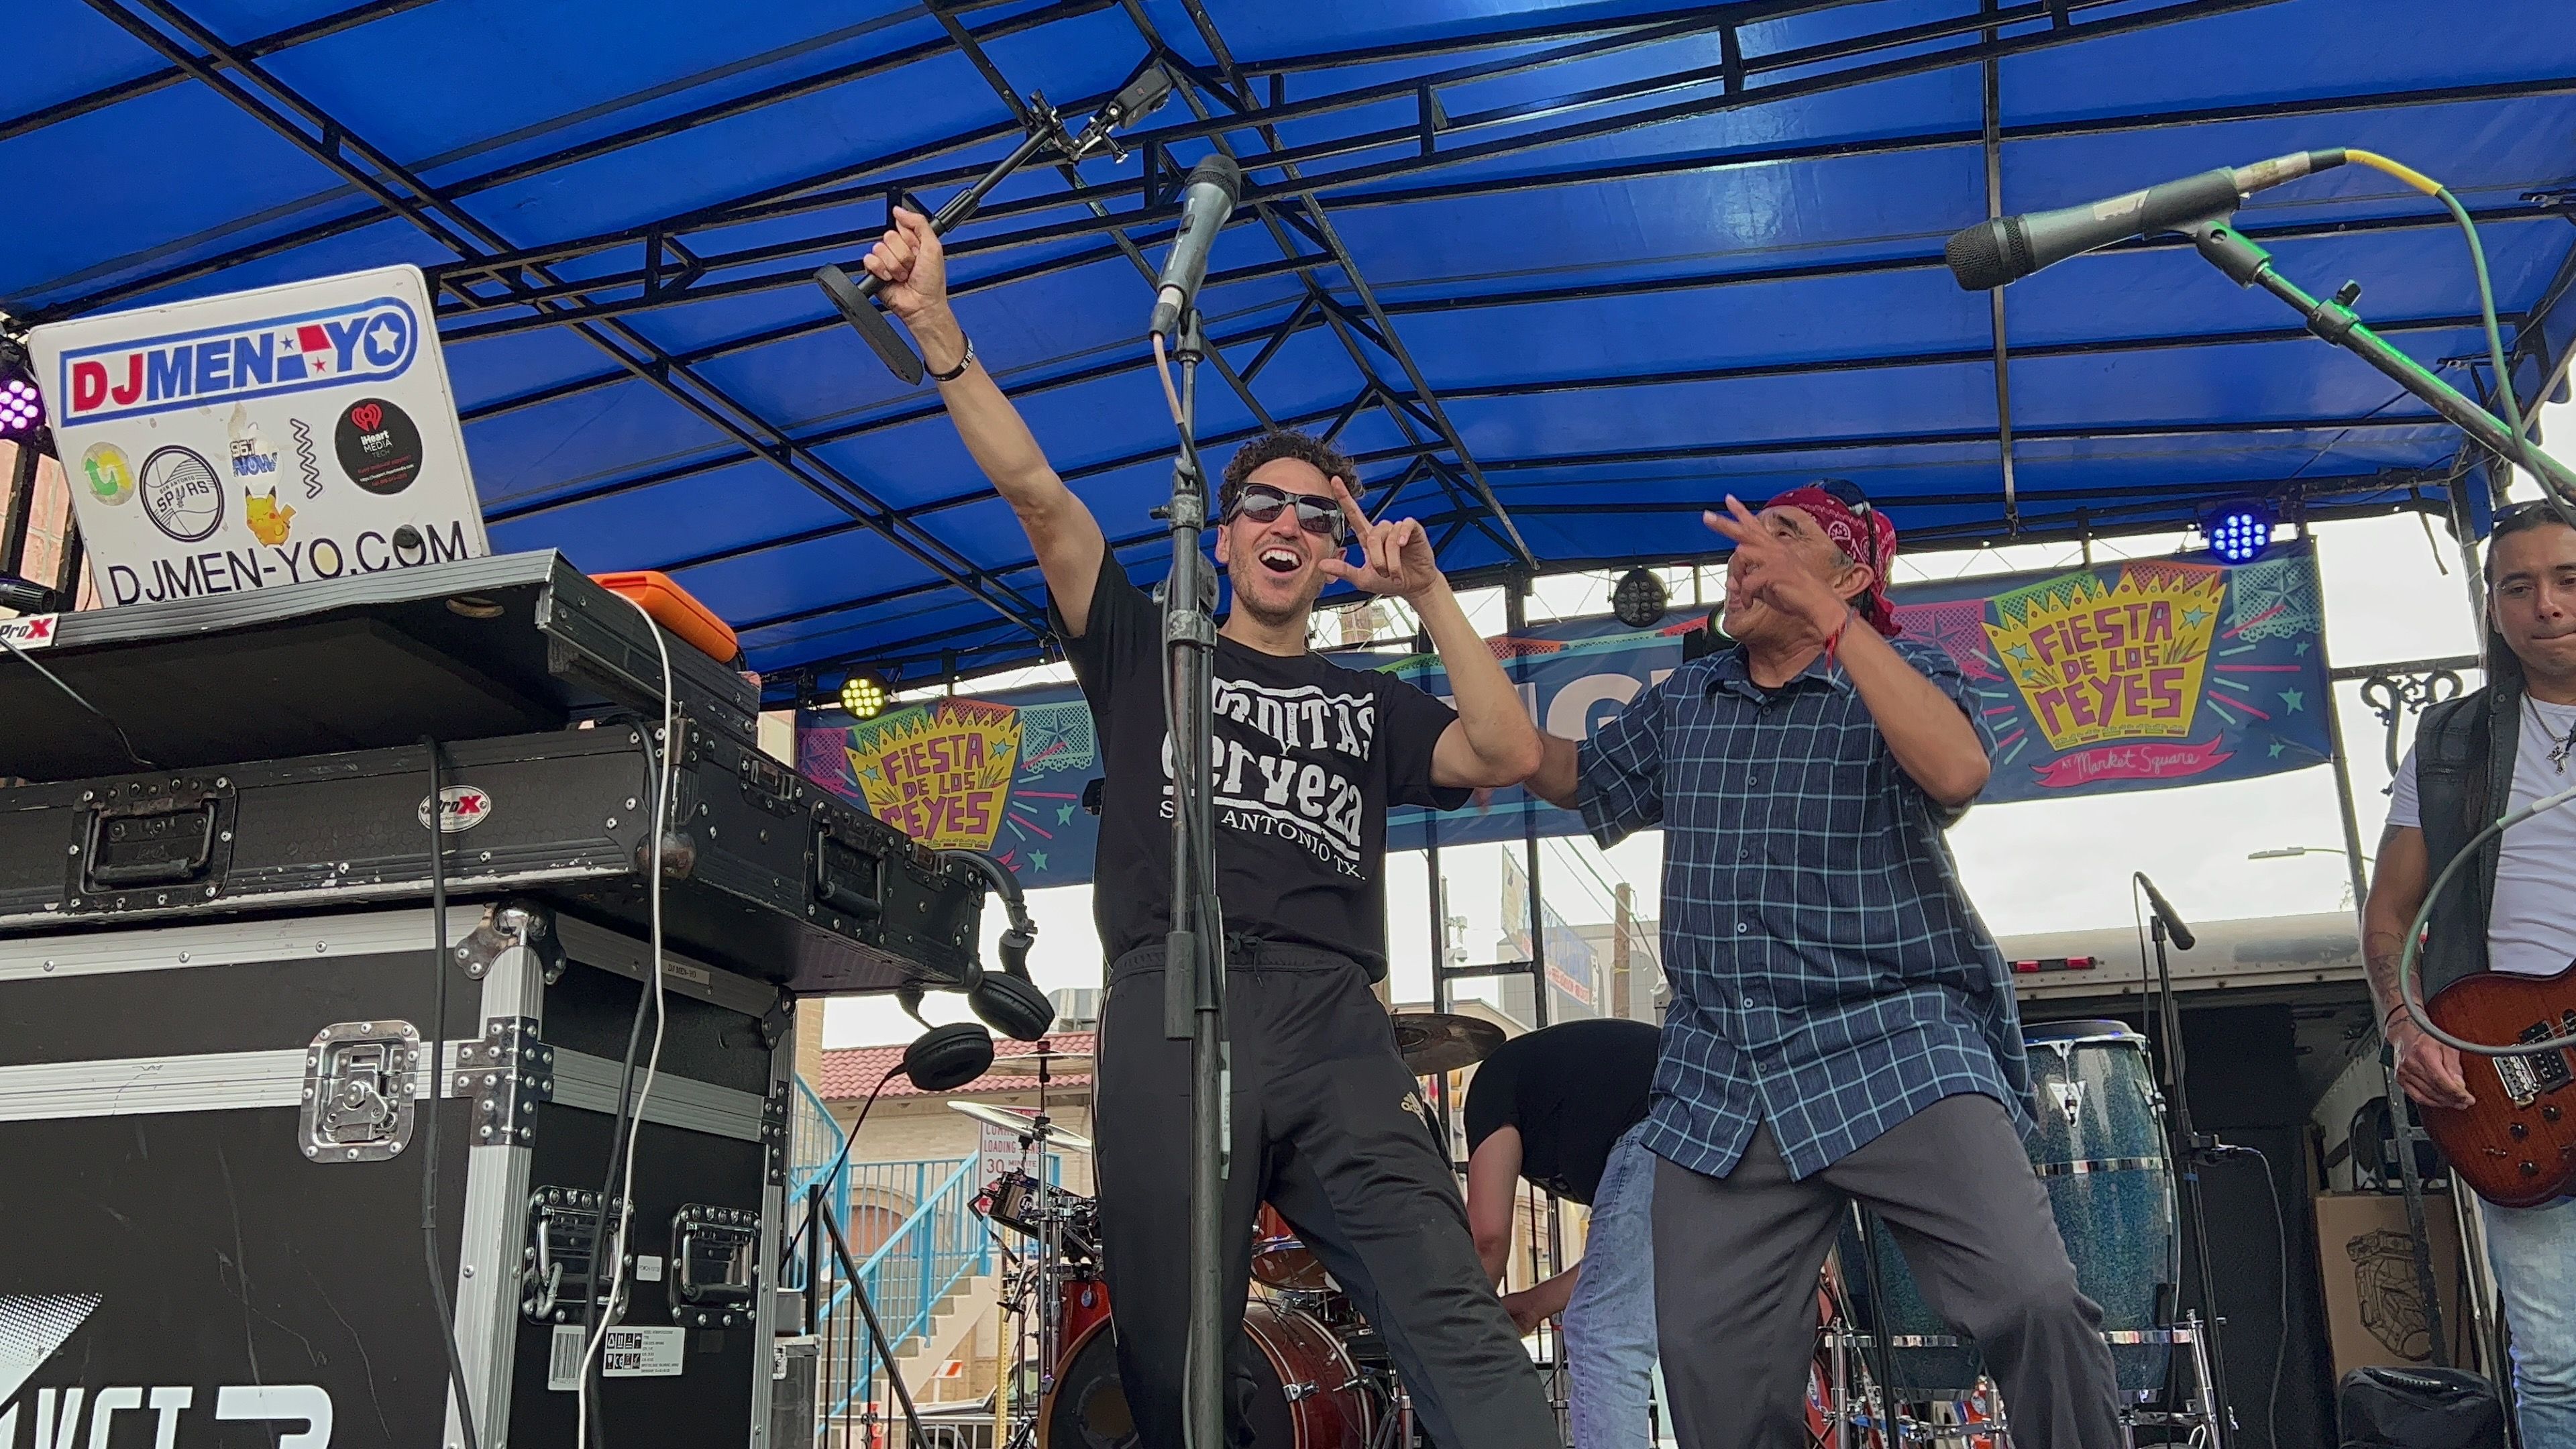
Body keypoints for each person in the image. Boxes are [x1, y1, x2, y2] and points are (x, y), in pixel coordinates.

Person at [861, 210, 1557, 1449]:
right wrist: (937, 328)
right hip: (1174, 999)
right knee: (1175, 1358)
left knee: (1448, 1301)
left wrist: (1430, 593)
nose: (1290, 525)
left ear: (1334, 553)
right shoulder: (1148, 650)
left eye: (1317, 516)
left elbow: (1505, 751)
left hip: (1335, 1020)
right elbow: (1039, 500)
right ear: (1223, 535)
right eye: (1265, 506)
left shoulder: (1369, 702)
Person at [1525, 481, 2125, 1449]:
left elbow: (1959, 771)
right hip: (1726, 1070)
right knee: (1708, 1368)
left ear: (1848, 577)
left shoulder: (1906, 671)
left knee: (2033, 1298)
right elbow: (1567, 773)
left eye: (1784, 536)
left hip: (1896, 1042)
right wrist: (1434, 607)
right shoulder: (1690, 701)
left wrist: (1833, 624)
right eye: (1743, 541)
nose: (1746, 555)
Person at [2365, 498, 2576, 1449]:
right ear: (2492, 605)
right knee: (2558, 1365)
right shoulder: (2452, 741)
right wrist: (2407, 1028)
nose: (2547, 605)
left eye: (2569, 579)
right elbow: (2389, 915)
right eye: (2518, 587)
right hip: (2516, 1082)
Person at [1465, 1017, 1662, 1449]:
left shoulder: (1490, 1085)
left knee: (1604, 1337)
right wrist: (1533, 1305)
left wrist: (1460, 1331)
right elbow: (1614, 1261)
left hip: (1663, 1121)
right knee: (1714, 1337)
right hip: (1731, 1119)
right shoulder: (1572, 1090)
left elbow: (1488, 1238)